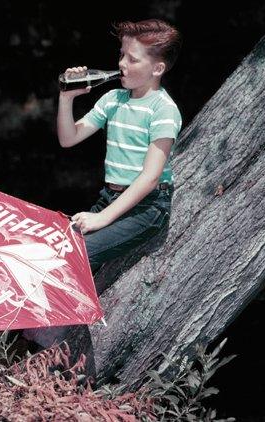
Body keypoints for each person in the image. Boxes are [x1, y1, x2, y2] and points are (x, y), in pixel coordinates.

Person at [57, 19, 183, 272]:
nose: (122, 64)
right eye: (122, 55)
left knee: (77, 258)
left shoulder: (163, 110)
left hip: (147, 207)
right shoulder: (112, 99)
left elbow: (150, 178)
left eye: (133, 59)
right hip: (110, 198)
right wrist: (66, 97)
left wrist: (101, 218)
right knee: (58, 247)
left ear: (157, 68)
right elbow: (68, 139)